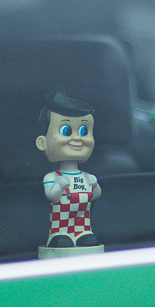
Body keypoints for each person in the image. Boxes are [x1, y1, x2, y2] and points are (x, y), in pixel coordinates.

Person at [35, 91, 103, 256]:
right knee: (61, 232)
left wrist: (95, 185)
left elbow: (95, 195)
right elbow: (52, 196)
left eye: (83, 131)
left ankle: (82, 234)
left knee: (85, 231)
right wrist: (59, 186)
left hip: (83, 220)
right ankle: (58, 235)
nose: (77, 138)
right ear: (42, 142)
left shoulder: (85, 176)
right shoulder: (52, 177)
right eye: (66, 131)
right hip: (61, 223)